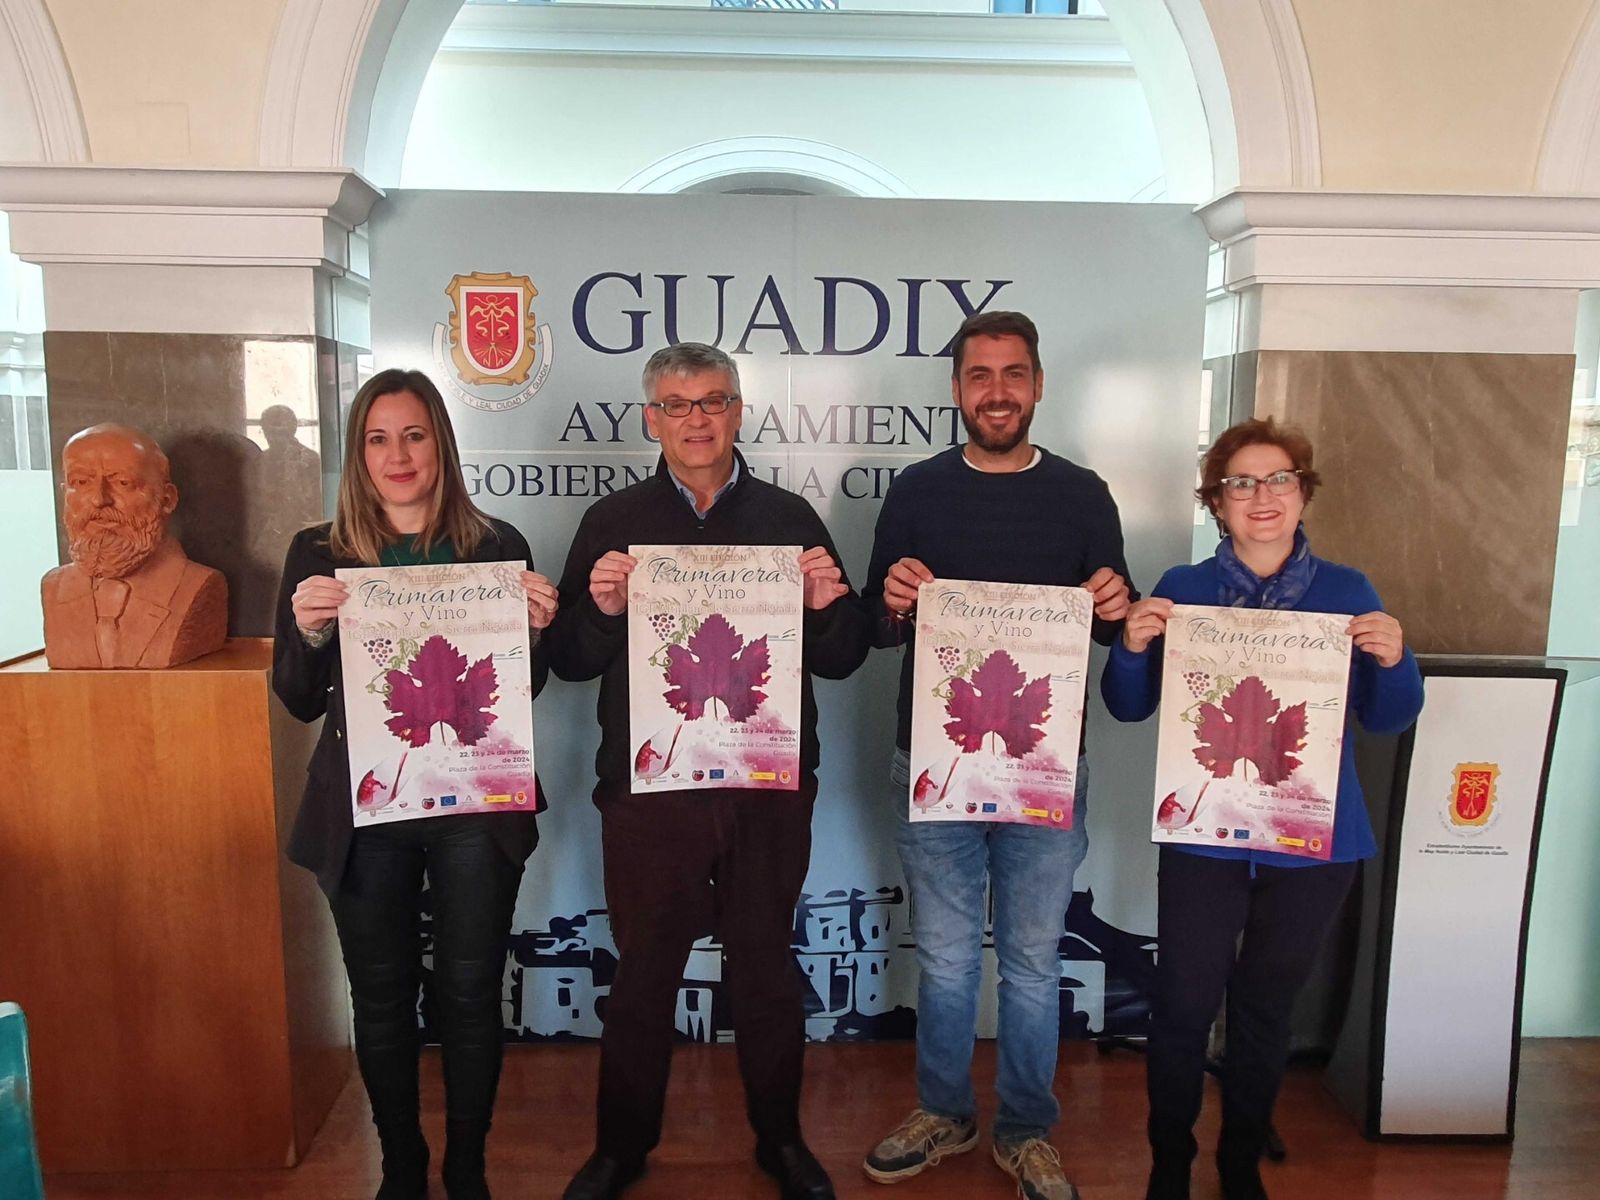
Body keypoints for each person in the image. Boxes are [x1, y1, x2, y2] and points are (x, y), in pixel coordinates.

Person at [549, 342, 871, 1200]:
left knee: (766, 973)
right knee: (646, 978)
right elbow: (569, 660)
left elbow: (841, 659)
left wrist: (828, 603)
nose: (697, 419)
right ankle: (620, 1148)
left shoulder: (789, 518)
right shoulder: (612, 523)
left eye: (714, 401)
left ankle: (783, 1143)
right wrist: (602, 609)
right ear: (651, 418)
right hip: (651, 796)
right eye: (678, 404)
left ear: (737, 412)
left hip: (764, 792)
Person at [1100, 417, 1424, 1200]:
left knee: (1265, 1009)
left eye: (1278, 478)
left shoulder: (1349, 592)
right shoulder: (1184, 589)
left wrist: (1394, 656)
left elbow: (1389, 718)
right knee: (1181, 1006)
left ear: (1302, 492)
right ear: (1216, 502)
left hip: (1314, 845)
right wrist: (1133, 647)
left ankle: (1239, 1164)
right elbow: (1127, 706)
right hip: (1206, 837)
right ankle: (1169, 1168)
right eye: (1240, 482)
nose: (1261, 496)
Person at [861, 311, 1134, 1200]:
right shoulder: (915, 492)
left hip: (1045, 765)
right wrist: (895, 600)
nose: (998, 392)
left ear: (1039, 384)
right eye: (980, 376)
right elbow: (873, 628)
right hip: (933, 761)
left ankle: (1026, 1131)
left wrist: (1113, 601)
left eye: (1014, 374)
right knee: (942, 958)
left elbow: (1111, 621)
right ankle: (944, 1111)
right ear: (956, 390)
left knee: (1031, 960)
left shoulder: (1085, 495)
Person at [272, 368, 559, 1200]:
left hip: (475, 803)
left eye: (414, 434)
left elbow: (517, 694)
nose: (397, 455)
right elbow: (294, 699)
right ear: (359, 453)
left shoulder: (497, 545)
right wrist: (307, 631)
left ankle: (467, 1169)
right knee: (384, 995)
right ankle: (403, 1167)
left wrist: (534, 633)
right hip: (363, 809)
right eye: (378, 438)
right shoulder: (317, 551)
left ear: (441, 444)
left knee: (470, 991)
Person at [42, 422, 227, 669]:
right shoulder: (53, 588)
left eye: (123, 483)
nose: (99, 499)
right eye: (82, 482)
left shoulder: (198, 585)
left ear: (167, 499)